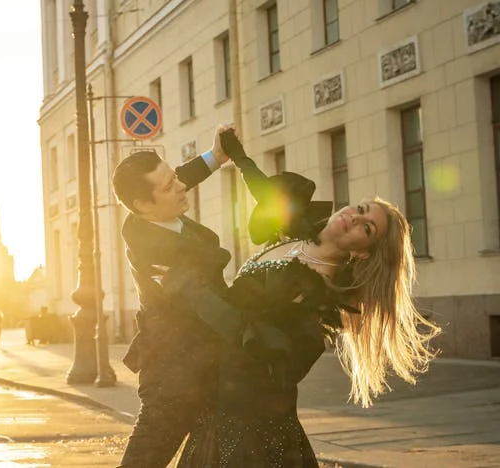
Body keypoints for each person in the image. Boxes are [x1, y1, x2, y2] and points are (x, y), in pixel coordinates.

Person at [168, 134, 442, 467]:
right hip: (220, 398)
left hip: (251, 418)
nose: (355, 218)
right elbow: (266, 191)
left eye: (367, 228)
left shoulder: (319, 292)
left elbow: (250, 335)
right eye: (360, 209)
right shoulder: (298, 233)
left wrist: (189, 287)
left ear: (362, 251)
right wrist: (233, 154)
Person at [112, 125, 241, 467]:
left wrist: (216, 156)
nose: (180, 185)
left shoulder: (150, 210)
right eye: (169, 187)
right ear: (142, 205)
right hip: (174, 380)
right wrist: (254, 332)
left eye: (173, 176)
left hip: (211, 368)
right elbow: (204, 300)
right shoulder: (152, 249)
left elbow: (178, 175)